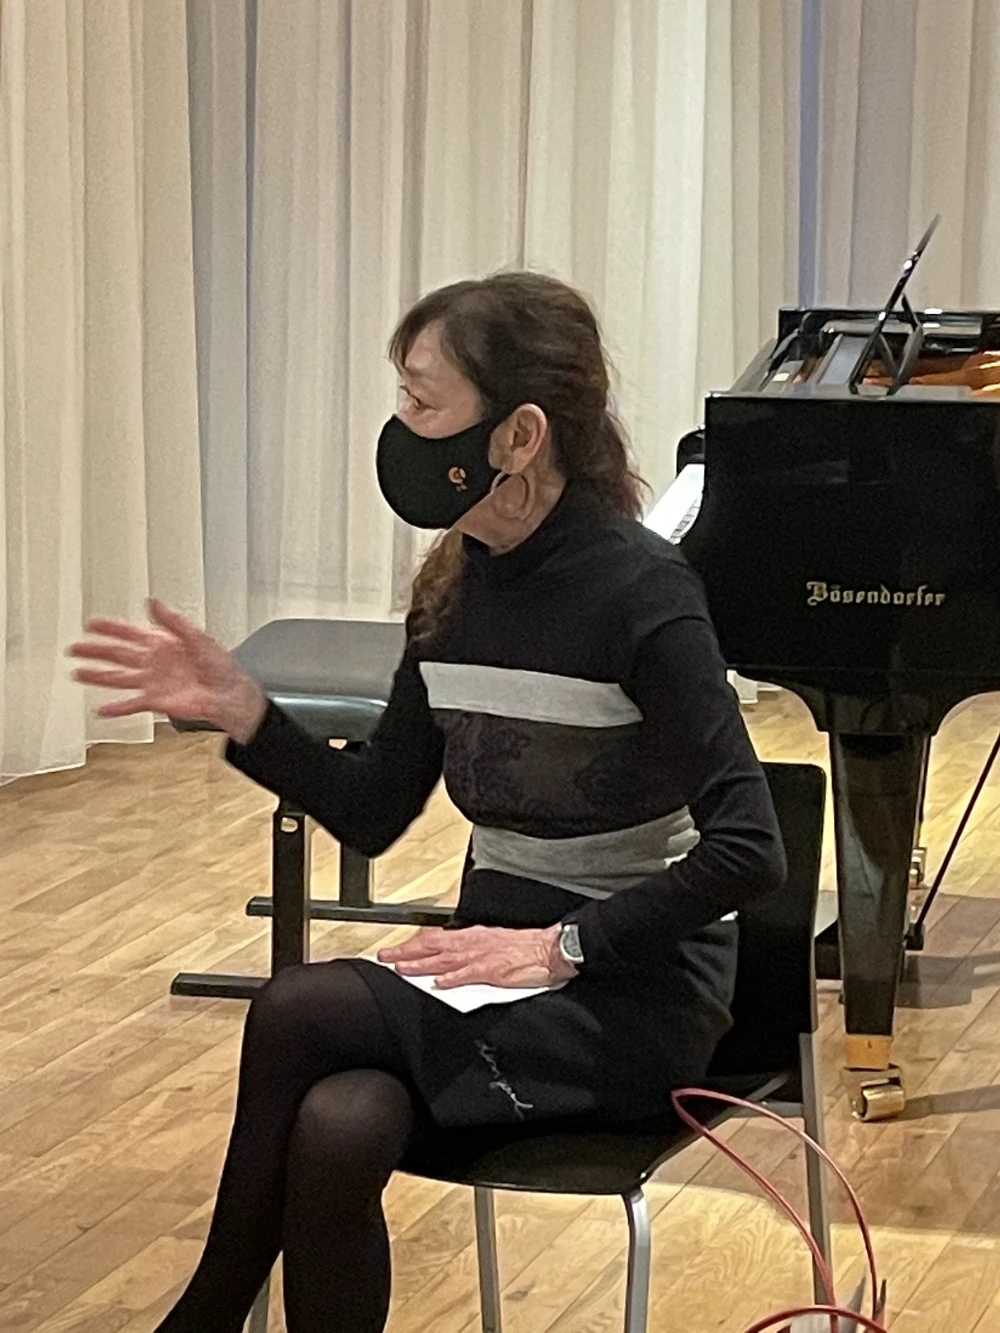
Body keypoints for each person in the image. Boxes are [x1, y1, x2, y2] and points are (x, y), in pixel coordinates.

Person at [69, 271, 785, 1333]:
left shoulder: (641, 594)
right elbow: (373, 810)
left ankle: (204, 1318)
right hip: (486, 973)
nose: (399, 426)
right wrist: (247, 713)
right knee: (339, 1122)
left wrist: (561, 947)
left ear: (518, 435)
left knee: (298, 1006)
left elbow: (750, 850)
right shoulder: (454, 587)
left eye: (420, 399)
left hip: (629, 994)